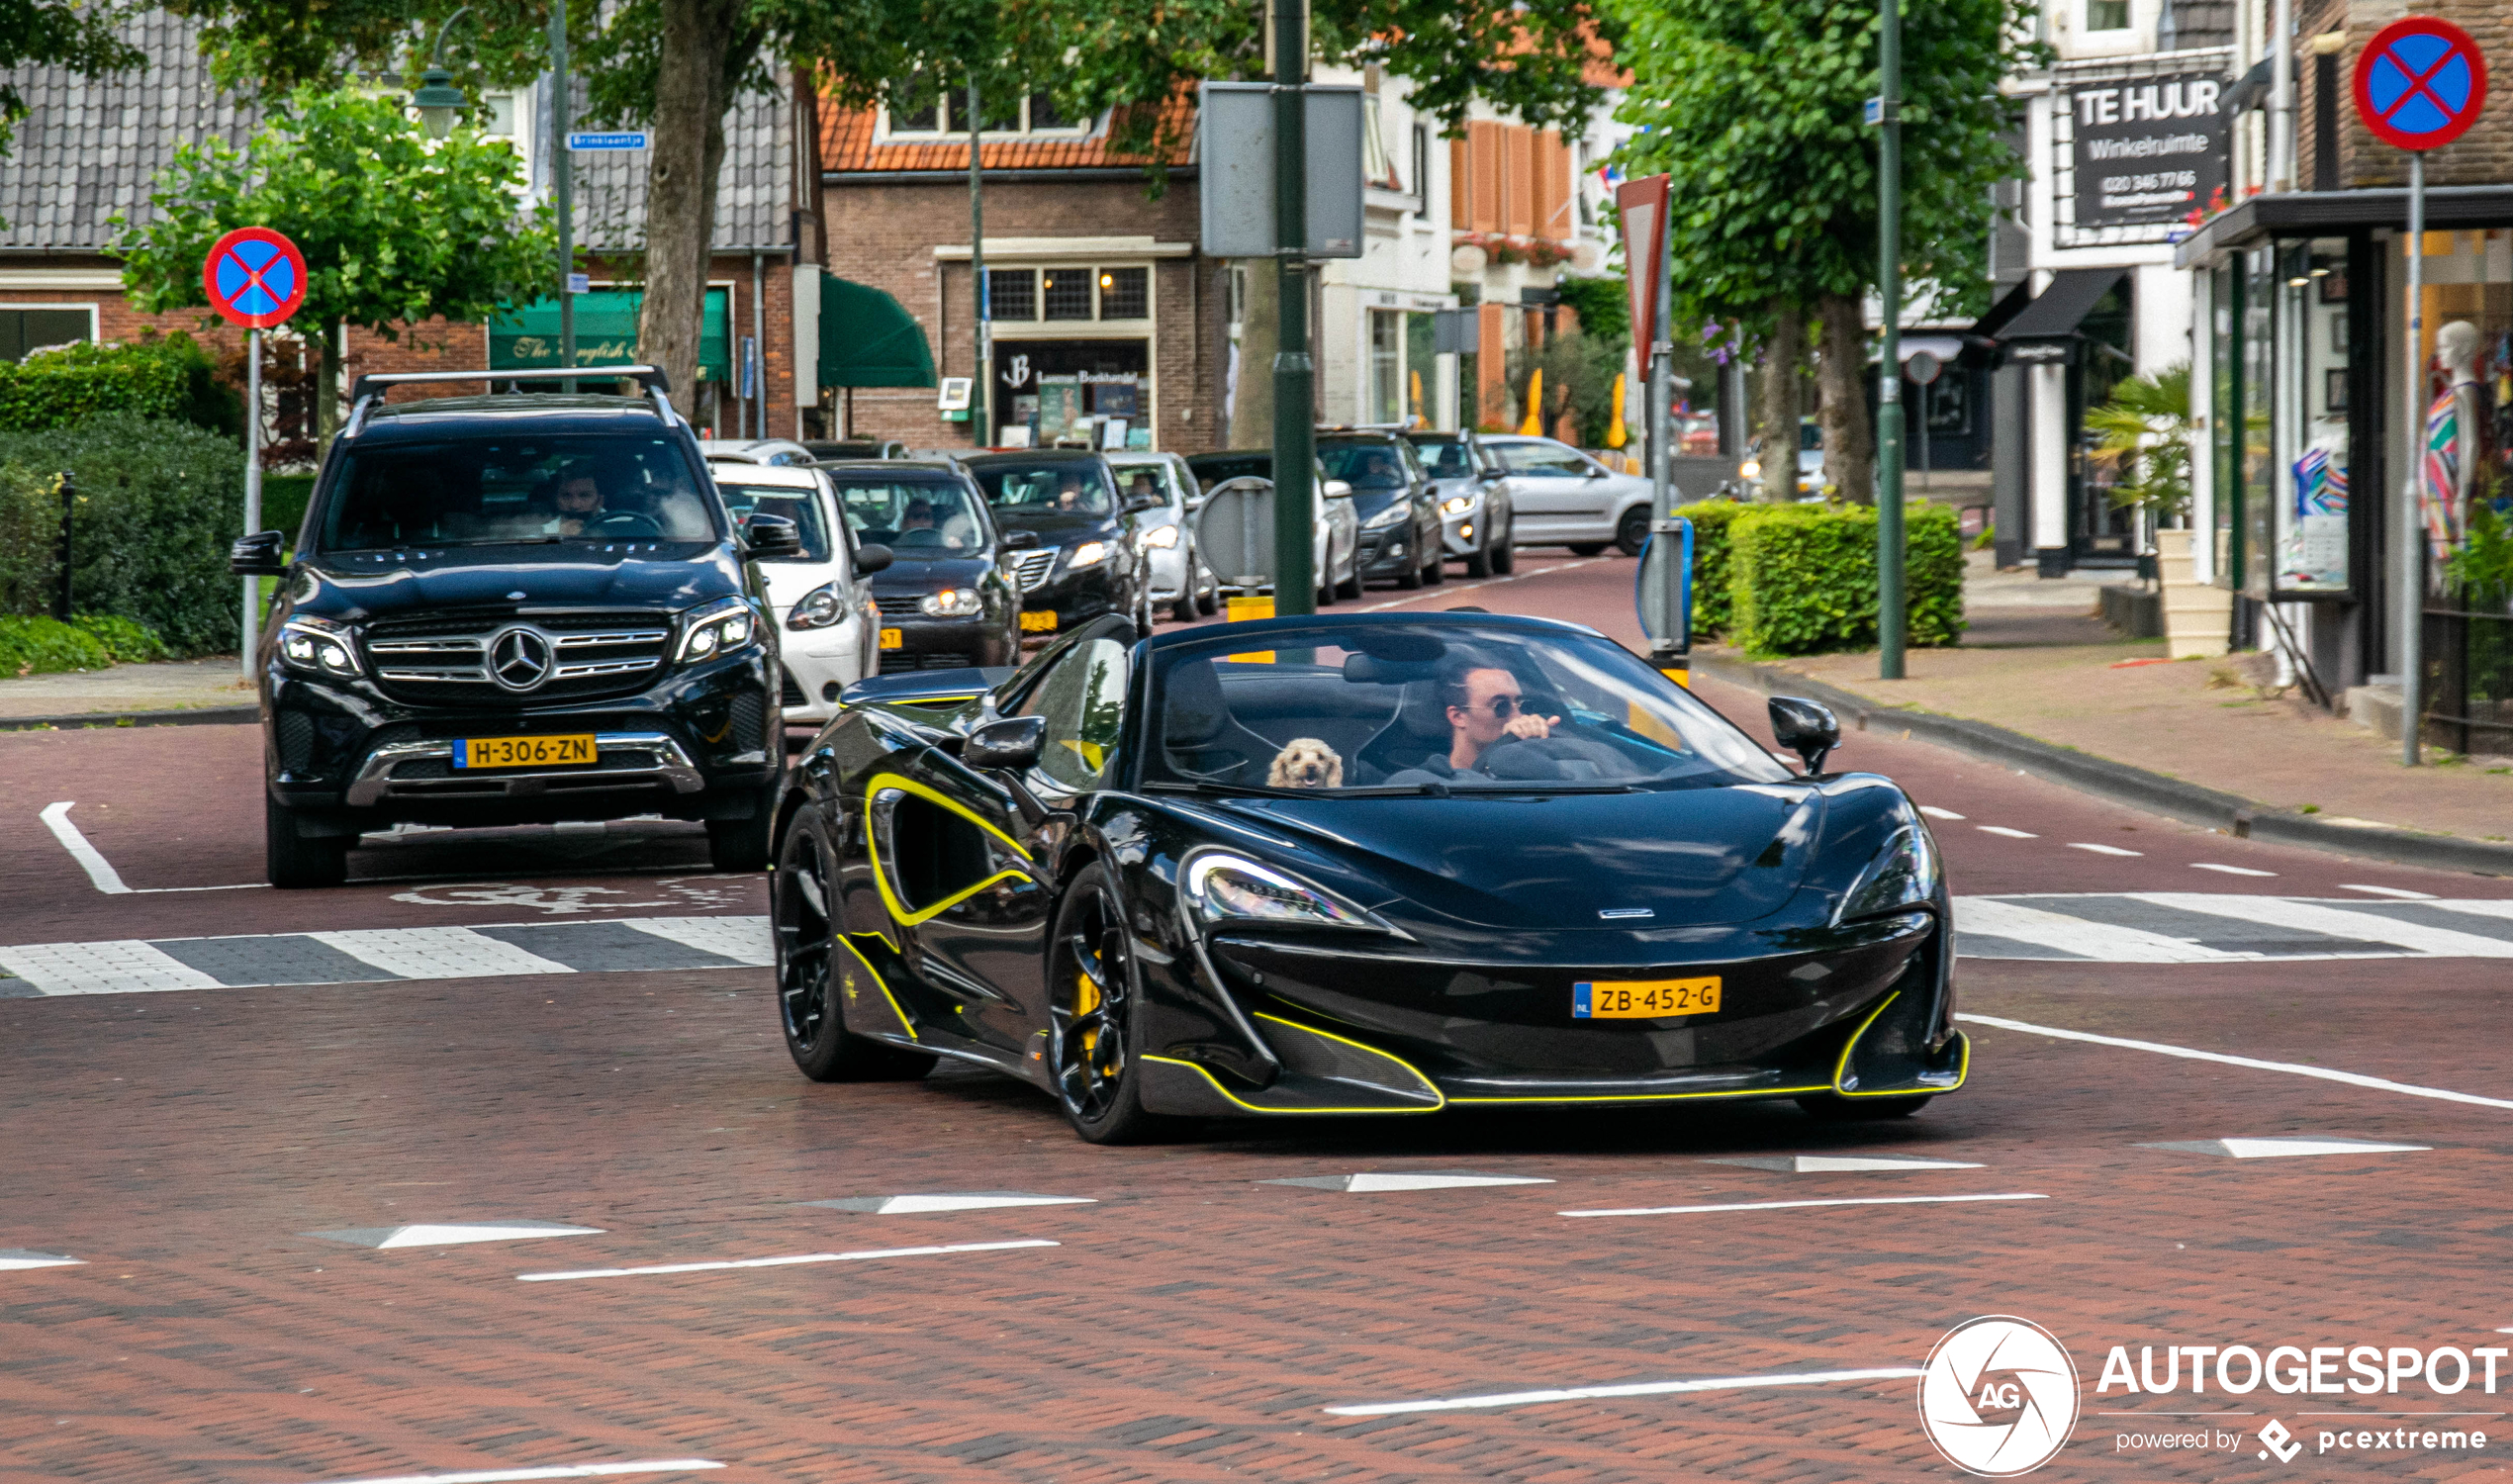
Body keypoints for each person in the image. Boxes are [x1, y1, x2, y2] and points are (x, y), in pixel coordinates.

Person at [1440, 656, 1560, 774]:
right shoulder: (1431, 780)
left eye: (1523, 705)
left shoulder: (1534, 775)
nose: (1518, 716)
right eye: (1501, 706)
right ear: (1458, 716)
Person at [548, 460, 608, 536]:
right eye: (566, 496)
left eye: (584, 495)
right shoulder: (544, 533)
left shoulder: (622, 526)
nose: (574, 505)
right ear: (556, 499)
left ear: (600, 500)